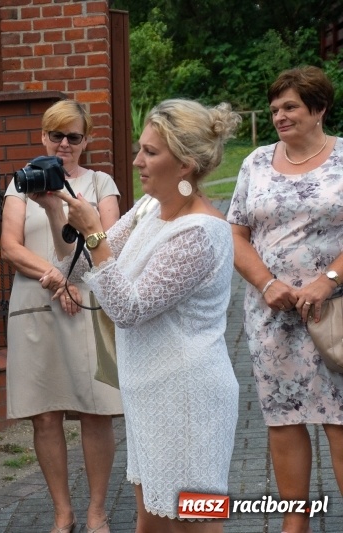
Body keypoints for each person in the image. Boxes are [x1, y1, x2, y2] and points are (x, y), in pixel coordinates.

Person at [43, 99, 241, 532]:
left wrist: (94, 232)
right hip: (149, 396)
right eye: (141, 148)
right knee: (148, 521)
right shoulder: (149, 208)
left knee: (197, 524)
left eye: (151, 152)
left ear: (185, 164)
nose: (137, 161)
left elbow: (128, 309)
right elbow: (79, 265)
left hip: (190, 398)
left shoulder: (201, 233)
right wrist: (56, 211)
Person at [227, 65, 343, 533]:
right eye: (275, 108)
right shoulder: (255, 162)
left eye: (290, 106)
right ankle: (294, 524)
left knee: (339, 418)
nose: (280, 115)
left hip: (335, 314)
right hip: (271, 316)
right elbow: (235, 233)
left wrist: (329, 279)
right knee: (283, 418)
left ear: (319, 109)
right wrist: (268, 284)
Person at [1, 99, 123, 533]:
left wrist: (72, 280)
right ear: (42, 136)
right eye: (57, 135)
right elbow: (11, 247)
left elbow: (108, 244)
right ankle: (62, 512)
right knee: (45, 412)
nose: (64, 144)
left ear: (86, 140)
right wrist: (56, 278)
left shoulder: (101, 183)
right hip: (37, 303)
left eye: (74, 136)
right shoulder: (22, 183)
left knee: (96, 410)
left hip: (87, 304)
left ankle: (96, 512)